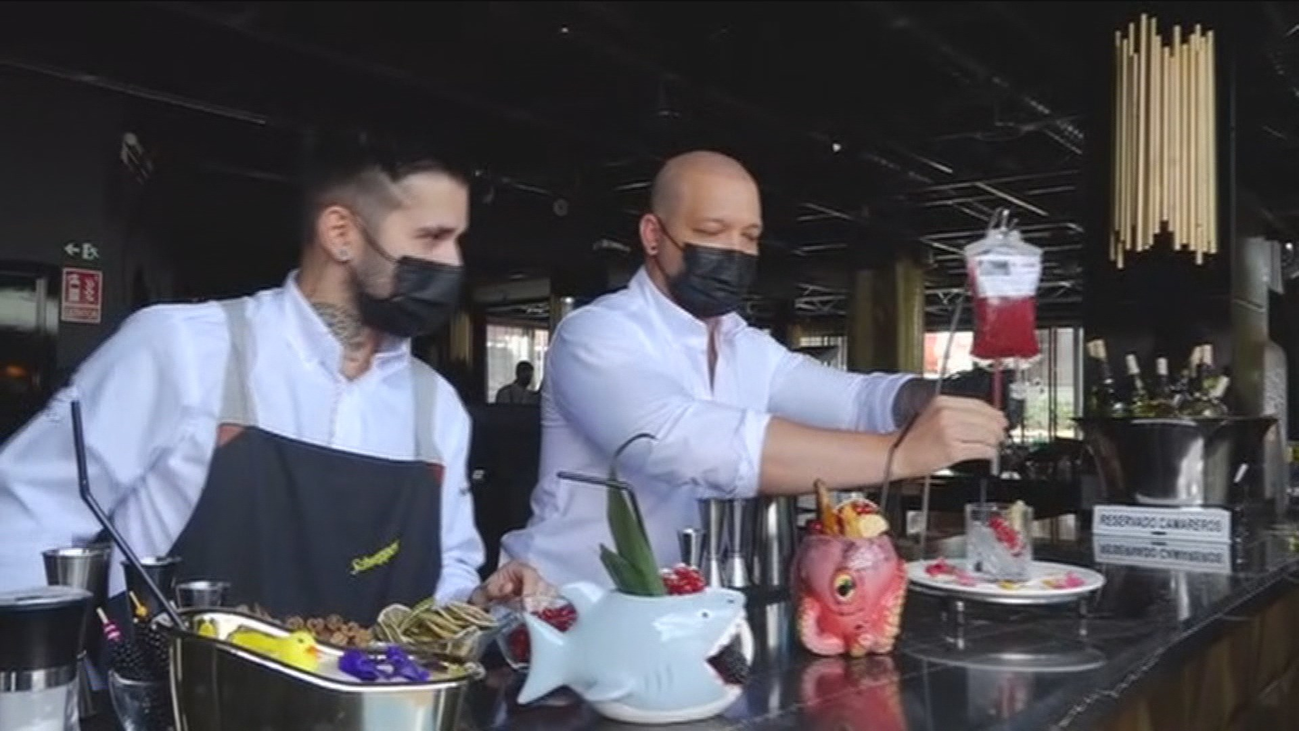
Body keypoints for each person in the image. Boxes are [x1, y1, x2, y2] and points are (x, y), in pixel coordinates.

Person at [0, 140, 545, 619]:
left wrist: (477, 605)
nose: (452, 262)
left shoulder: (436, 407)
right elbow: (26, 514)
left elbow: (446, 570)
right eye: (432, 237)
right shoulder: (184, 351)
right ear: (340, 234)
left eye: (456, 240)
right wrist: (44, 693)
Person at [501, 151, 1007, 587]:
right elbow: (691, 444)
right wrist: (901, 454)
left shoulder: (744, 345)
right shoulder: (597, 334)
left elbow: (851, 401)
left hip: (690, 612)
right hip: (569, 607)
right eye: (711, 232)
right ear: (653, 234)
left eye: (749, 236)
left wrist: (929, 395)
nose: (735, 252)